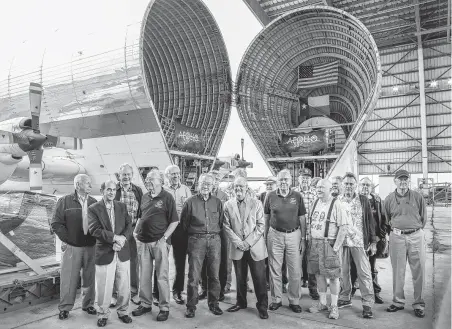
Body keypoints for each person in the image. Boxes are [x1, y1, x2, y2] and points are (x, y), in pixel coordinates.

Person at [132, 169, 179, 322]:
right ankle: (145, 304)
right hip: (143, 242)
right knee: (144, 276)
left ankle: (164, 307)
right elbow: (140, 216)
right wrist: (135, 232)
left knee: (162, 276)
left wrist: (164, 238)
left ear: (160, 180)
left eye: (151, 179)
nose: (148, 182)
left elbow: (174, 221)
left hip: (159, 242)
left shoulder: (167, 197)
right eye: (147, 179)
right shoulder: (145, 197)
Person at [51, 174, 97, 320]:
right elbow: (56, 224)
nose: (90, 186)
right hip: (72, 247)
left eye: (90, 183)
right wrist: (69, 239)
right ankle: (65, 308)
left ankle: (88, 304)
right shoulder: (64, 201)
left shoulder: (94, 202)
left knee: (89, 277)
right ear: (78, 185)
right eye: (87, 183)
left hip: (91, 246)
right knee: (68, 278)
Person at [88, 180, 133, 327]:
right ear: (102, 191)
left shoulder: (121, 206)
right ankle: (103, 314)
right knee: (104, 286)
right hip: (105, 252)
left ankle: (123, 312)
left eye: (114, 189)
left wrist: (122, 240)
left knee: (124, 285)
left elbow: (129, 225)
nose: (112, 192)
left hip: (122, 251)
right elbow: (94, 230)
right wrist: (114, 239)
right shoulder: (94, 208)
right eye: (108, 189)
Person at [223, 176, 269, 319]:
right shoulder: (228, 205)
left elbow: (261, 226)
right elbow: (226, 226)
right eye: (236, 186)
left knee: (259, 279)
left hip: (255, 247)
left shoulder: (257, 203)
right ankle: (240, 302)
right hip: (238, 247)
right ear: (233, 188)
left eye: (241, 186)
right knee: (240, 278)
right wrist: (238, 243)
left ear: (247, 188)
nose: (238, 189)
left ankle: (262, 307)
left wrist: (247, 242)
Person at [384, 169, 427, 318]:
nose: (403, 182)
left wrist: (415, 230)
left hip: (416, 235)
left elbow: (424, 218)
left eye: (405, 179)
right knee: (398, 271)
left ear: (409, 181)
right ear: (395, 181)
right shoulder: (389, 199)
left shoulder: (417, 197)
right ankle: (398, 302)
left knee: (419, 270)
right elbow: (386, 219)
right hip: (397, 237)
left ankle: (419, 304)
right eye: (400, 179)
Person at [181, 173, 224, 318]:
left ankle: (214, 304)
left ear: (213, 186)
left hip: (214, 240)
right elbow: (184, 225)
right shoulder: (190, 202)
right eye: (203, 183)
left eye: (209, 183)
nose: (206, 185)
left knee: (214, 275)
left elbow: (221, 222)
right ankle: (191, 306)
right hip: (196, 240)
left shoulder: (217, 202)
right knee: (193, 276)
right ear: (198, 184)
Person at [264, 169, 306, 313]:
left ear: (290, 181)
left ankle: (294, 300)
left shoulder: (297, 196)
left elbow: (302, 218)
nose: (283, 182)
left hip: (294, 235)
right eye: (281, 179)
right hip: (275, 235)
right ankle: (276, 299)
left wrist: (303, 238)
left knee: (294, 270)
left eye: (286, 179)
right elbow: (266, 218)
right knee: (275, 268)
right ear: (277, 181)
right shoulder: (270, 196)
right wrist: (265, 237)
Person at [307, 179, 349, 319]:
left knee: (333, 277)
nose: (319, 189)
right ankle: (323, 303)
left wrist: (336, 248)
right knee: (318, 274)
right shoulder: (315, 202)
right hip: (315, 243)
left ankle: (334, 306)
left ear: (330, 188)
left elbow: (344, 227)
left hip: (329, 244)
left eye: (322, 187)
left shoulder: (337, 204)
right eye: (317, 187)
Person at [338, 172, 376, 319]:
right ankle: (345, 297)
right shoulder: (337, 200)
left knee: (364, 273)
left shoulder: (363, 200)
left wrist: (373, 241)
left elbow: (370, 222)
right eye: (346, 183)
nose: (348, 186)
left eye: (351, 184)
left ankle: (367, 303)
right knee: (343, 271)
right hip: (342, 242)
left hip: (359, 241)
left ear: (356, 186)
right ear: (342, 185)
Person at [350, 177, 387, 304]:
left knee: (371, 267)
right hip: (357, 241)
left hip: (373, 241)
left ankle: (374, 292)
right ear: (358, 186)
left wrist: (377, 239)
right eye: (362, 185)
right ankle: (350, 291)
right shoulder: (355, 200)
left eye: (367, 185)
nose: (365, 187)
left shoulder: (377, 201)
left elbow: (384, 221)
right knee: (354, 267)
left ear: (371, 188)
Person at [158, 164, 192, 305]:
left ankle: (178, 291)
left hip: (180, 230)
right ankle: (157, 293)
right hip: (165, 229)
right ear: (167, 176)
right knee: (160, 261)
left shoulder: (186, 190)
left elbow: (191, 210)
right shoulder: (162, 190)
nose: (176, 176)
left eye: (177, 173)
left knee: (180, 262)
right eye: (173, 174)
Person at [112, 163, 143, 307]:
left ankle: (134, 292)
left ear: (132, 175)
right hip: (117, 232)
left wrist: (137, 230)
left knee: (134, 262)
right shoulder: (113, 189)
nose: (126, 177)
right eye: (123, 174)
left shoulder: (137, 191)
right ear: (119, 175)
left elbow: (141, 212)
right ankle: (114, 294)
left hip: (132, 231)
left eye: (128, 174)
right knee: (114, 263)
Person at [199, 169, 231, 301]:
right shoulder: (201, 195)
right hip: (205, 231)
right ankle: (205, 288)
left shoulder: (224, 196)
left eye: (217, 180)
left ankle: (220, 290)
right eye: (212, 180)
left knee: (222, 261)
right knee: (204, 261)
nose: (215, 182)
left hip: (221, 231)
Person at [294, 168, 319, 300]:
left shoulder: (315, 193)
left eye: (307, 178)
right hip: (297, 233)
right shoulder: (293, 193)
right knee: (296, 262)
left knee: (312, 262)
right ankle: (296, 289)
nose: (305, 180)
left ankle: (313, 288)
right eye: (302, 177)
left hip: (312, 233)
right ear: (298, 179)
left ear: (310, 180)